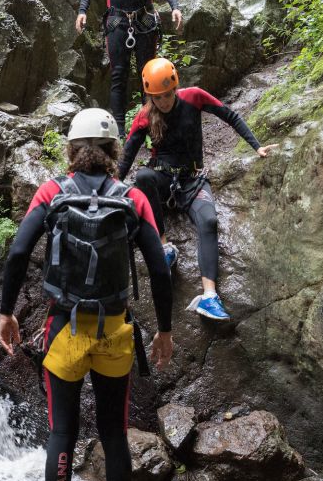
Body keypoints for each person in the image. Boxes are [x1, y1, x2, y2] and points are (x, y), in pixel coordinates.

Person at [0, 108, 174, 481]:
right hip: (114, 332)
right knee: (114, 433)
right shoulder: (133, 198)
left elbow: (19, 252)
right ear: (115, 150)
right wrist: (166, 330)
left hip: (65, 332)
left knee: (63, 432)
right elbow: (158, 267)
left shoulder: (52, 192)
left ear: (72, 150)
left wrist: (6, 313)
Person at [117, 57, 278, 321]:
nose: (165, 101)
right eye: (158, 97)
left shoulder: (194, 97)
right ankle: (165, 247)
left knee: (209, 220)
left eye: (168, 95)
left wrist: (256, 146)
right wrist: (107, 187)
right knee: (143, 177)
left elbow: (230, 115)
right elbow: (126, 158)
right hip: (161, 180)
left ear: (175, 88)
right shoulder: (145, 116)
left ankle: (210, 296)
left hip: (193, 180)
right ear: (150, 96)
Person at [75, 0, 184, 132]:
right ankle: (120, 135)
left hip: (144, 20)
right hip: (117, 20)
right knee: (118, 76)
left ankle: (151, 130)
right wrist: (83, 10)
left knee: (149, 76)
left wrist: (175, 7)